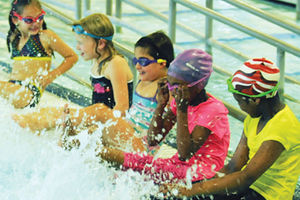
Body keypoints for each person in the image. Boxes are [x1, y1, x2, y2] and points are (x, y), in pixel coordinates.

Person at [14, 31, 175, 153]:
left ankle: (48, 123)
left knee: (100, 111)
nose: (138, 66)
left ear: (163, 63)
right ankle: (52, 132)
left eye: (143, 62)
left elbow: (166, 124)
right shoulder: (144, 82)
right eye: (136, 61)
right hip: (129, 133)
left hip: (142, 147)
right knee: (90, 131)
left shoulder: (166, 88)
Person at [165, 58, 300, 200]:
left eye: (239, 101)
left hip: (268, 195)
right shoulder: (255, 117)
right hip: (247, 187)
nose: (240, 107)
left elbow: (246, 177)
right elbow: (233, 167)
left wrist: (193, 190)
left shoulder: (282, 127)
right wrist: (192, 185)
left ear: (255, 100)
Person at [96, 48, 231, 185]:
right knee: (120, 167)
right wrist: (160, 105)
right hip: (179, 166)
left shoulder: (214, 110)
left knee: (124, 162)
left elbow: (185, 154)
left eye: (177, 86)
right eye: (170, 85)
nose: (173, 91)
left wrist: (181, 110)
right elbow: (153, 140)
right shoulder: (183, 100)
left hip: (201, 174)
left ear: (199, 85)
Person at [13, 13, 134, 130]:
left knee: (60, 120)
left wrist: (97, 128)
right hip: (99, 118)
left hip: (112, 125)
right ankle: (27, 124)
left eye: (81, 43)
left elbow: (122, 108)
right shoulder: (97, 61)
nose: (77, 47)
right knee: (50, 111)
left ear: (101, 43)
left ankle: (33, 125)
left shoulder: (115, 63)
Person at [2, 0, 78, 109]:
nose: (36, 23)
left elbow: (72, 57)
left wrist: (51, 76)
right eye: (29, 20)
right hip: (13, 87)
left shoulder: (45, 37)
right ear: (15, 20)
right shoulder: (14, 38)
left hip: (29, 92)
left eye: (40, 17)